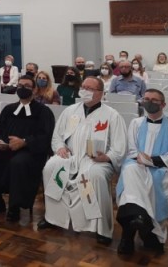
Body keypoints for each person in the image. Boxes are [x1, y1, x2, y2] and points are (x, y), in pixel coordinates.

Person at [39, 76, 127, 245]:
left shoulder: (112, 115)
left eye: (90, 89)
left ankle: (101, 228)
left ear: (101, 93)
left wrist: (107, 157)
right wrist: (60, 148)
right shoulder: (70, 111)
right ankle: (53, 218)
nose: (85, 91)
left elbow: (119, 146)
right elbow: (57, 136)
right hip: (70, 157)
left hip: (96, 160)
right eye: (83, 87)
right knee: (50, 167)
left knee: (94, 175)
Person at [116, 89, 168, 255]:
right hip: (138, 166)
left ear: (163, 104)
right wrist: (141, 160)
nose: (149, 102)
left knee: (132, 181)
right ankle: (147, 231)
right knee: (130, 169)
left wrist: (154, 160)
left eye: (154, 100)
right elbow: (132, 151)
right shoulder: (135, 123)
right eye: (146, 98)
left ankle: (127, 236)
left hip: (163, 171)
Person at [0, 75, 55, 221]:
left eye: (27, 86)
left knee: (18, 163)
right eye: (20, 85)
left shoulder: (43, 112)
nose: (22, 88)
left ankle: (14, 207)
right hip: (7, 150)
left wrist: (24, 142)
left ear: (34, 90)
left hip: (31, 152)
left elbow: (45, 137)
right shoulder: (9, 109)